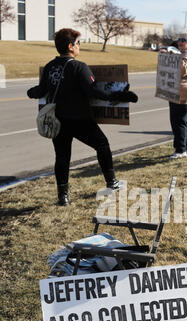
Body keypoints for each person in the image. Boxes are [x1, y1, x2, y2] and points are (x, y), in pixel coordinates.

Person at [27, 28, 138, 206]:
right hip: (80, 119)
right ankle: (112, 183)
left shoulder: (49, 66)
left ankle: (63, 196)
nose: (79, 47)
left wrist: (31, 92)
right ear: (70, 46)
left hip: (57, 120)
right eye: (78, 43)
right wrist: (121, 96)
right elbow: (94, 91)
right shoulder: (79, 67)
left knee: (62, 156)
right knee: (102, 144)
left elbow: (41, 90)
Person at [167, 30, 187, 159]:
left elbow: (182, 69)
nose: (180, 42)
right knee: (183, 122)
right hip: (185, 93)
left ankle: (180, 150)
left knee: (178, 122)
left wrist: (170, 57)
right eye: (179, 39)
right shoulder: (186, 53)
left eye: (183, 40)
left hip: (182, 95)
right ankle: (186, 147)